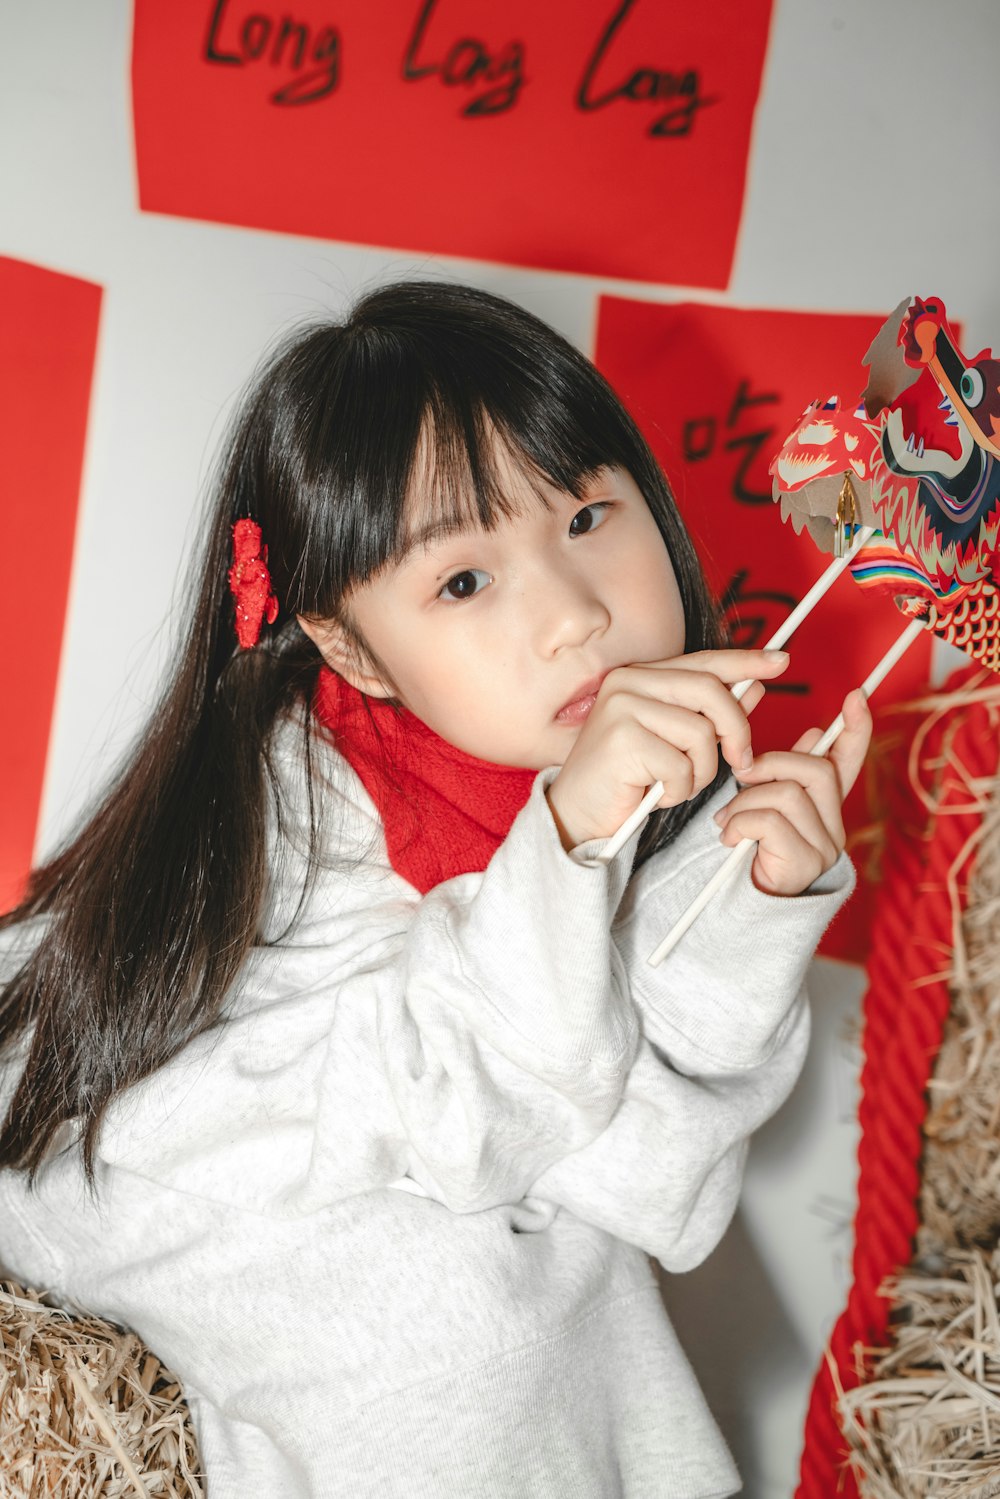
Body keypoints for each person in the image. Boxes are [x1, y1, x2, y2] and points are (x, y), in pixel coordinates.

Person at [0, 280, 868, 1497]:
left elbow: (665, 1186)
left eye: (587, 516)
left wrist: (751, 905)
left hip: (408, 1137)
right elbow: (489, 1126)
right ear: (350, 647)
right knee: (461, 1336)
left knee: (577, 1293)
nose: (574, 615)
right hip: (149, 1157)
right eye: (463, 581)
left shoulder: (649, 777)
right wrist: (564, 846)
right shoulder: (299, 807)